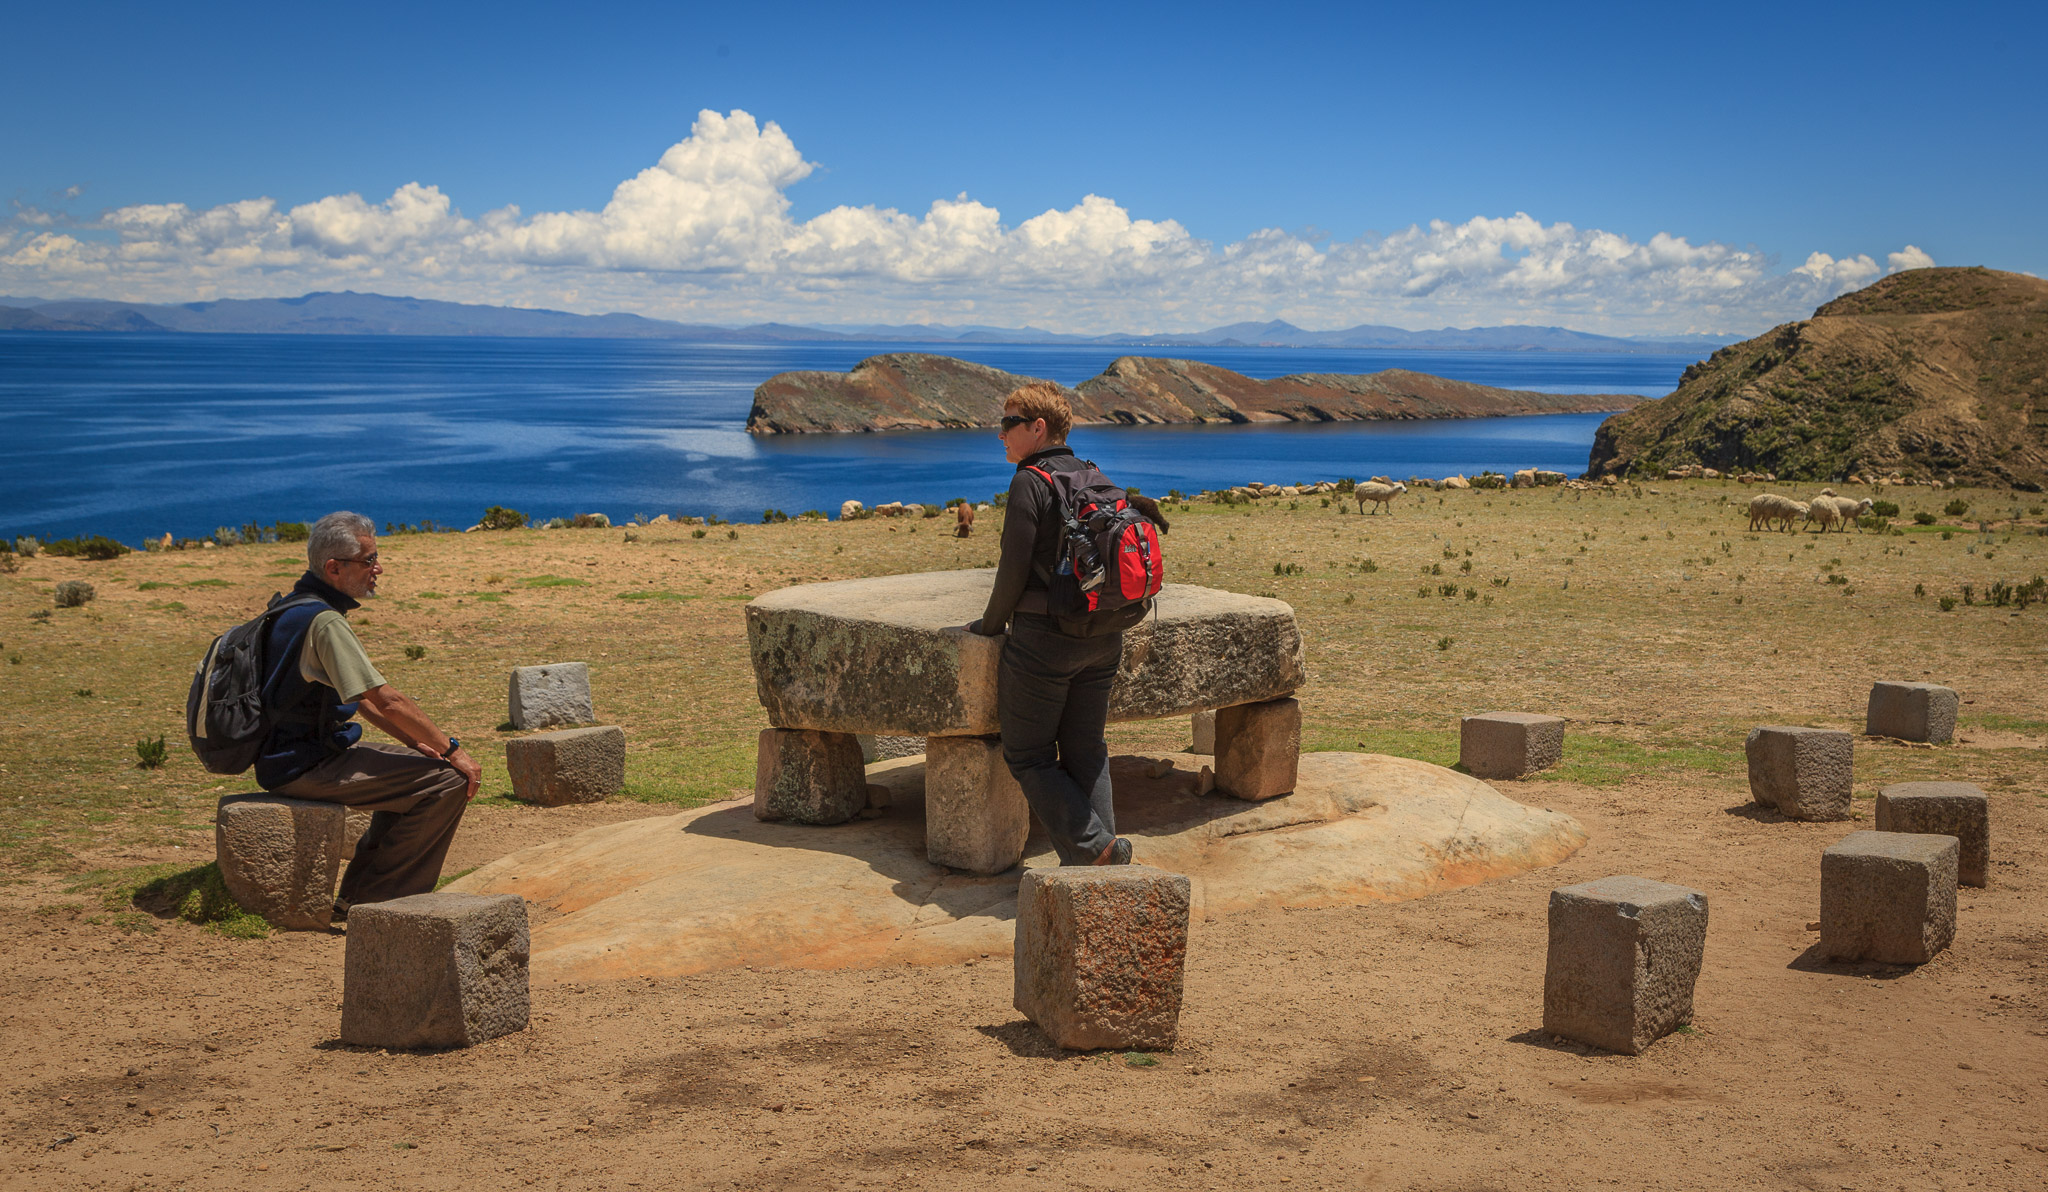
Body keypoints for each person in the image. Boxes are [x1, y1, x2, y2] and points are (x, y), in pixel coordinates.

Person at [255, 511, 481, 915]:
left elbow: (362, 700)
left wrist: (417, 743)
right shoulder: (324, 622)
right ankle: (385, 908)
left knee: (421, 767)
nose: (379, 568)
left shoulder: (294, 608)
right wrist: (453, 751)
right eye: (368, 560)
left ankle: (356, 898)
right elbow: (388, 699)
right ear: (333, 568)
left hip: (293, 756)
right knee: (447, 782)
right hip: (305, 765)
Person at [967, 383, 1139, 867]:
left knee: (1028, 755)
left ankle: (1093, 850)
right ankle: (1104, 865)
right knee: (1087, 749)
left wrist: (988, 627)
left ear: (1037, 428)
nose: (999, 435)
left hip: (1045, 642)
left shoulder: (1030, 481)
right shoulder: (1091, 473)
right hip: (1104, 636)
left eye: (1007, 424)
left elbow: (1012, 570)